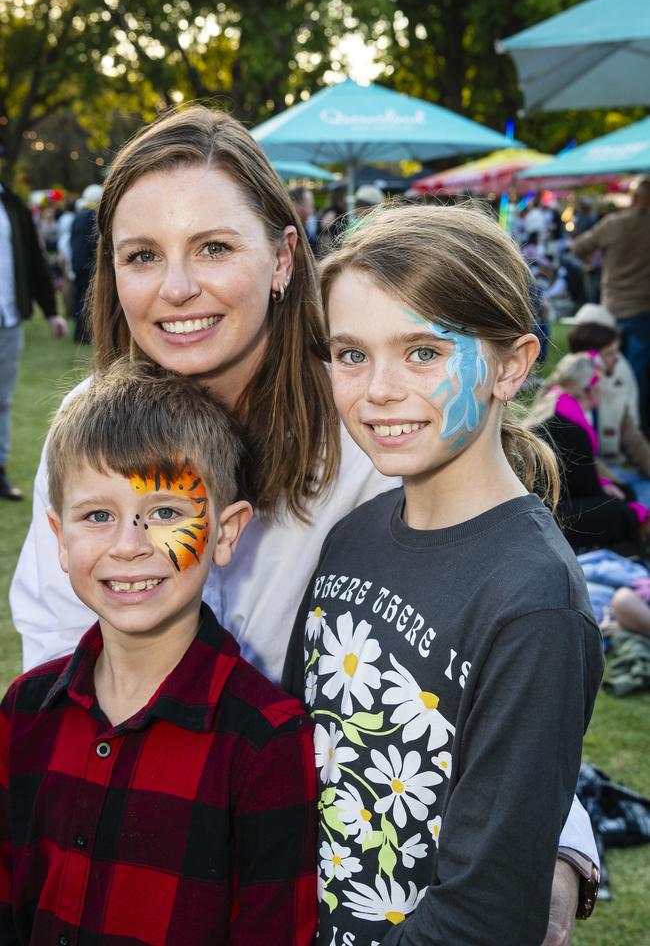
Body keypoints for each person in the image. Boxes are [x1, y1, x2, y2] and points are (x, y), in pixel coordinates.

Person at [9, 105, 599, 941]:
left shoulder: (369, 425)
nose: (177, 288)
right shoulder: (88, 433)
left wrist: (561, 850)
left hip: (309, 866)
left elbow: (472, 655)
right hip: (151, 848)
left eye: (214, 247)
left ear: (284, 257)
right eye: (143, 256)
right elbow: (63, 671)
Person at [282, 204, 604, 945]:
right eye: (352, 354)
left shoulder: (533, 603)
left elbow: (484, 913)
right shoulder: (352, 537)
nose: (378, 389)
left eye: (423, 353)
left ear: (511, 366)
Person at [0, 359, 317, 944]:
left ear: (225, 532)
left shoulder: (265, 740)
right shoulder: (24, 712)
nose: (128, 546)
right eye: (98, 516)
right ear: (59, 540)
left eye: (165, 514)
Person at [526, 353, 646, 553]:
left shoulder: (554, 407)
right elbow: (585, 488)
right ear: (591, 389)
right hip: (546, 517)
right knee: (620, 507)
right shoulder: (570, 429)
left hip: (541, 506)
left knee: (623, 493)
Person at [0, 174, 67, 501]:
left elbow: (35, 259)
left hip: (8, 319)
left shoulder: (12, 205)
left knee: (2, 400)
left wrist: (51, 310)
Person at [571, 176, 650, 427]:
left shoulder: (613, 224)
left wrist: (595, 258)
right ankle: (634, 425)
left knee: (603, 369)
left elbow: (578, 247)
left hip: (611, 308)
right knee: (638, 374)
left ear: (634, 198)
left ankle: (601, 422)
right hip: (643, 309)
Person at [563, 302, 650, 507]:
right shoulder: (565, 392)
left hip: (610, 469)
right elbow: (585, 462)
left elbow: (631, 437)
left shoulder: (613, 380)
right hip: (583, 483)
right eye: (611, 353)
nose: (617, 359)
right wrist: (622, 490)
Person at [70, 183, 102, 343]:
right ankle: (85, 336)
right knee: (87, 300)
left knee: (80, 299)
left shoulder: (78, 216)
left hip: (77, 264)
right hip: (88, 265)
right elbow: (93, 243)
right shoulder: (91, 217)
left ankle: (80, 334)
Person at [289, 185, 319, 252]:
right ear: (298, 207)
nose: (312, 210)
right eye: (311, 206)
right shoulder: (291, 234)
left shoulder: (305, 230)